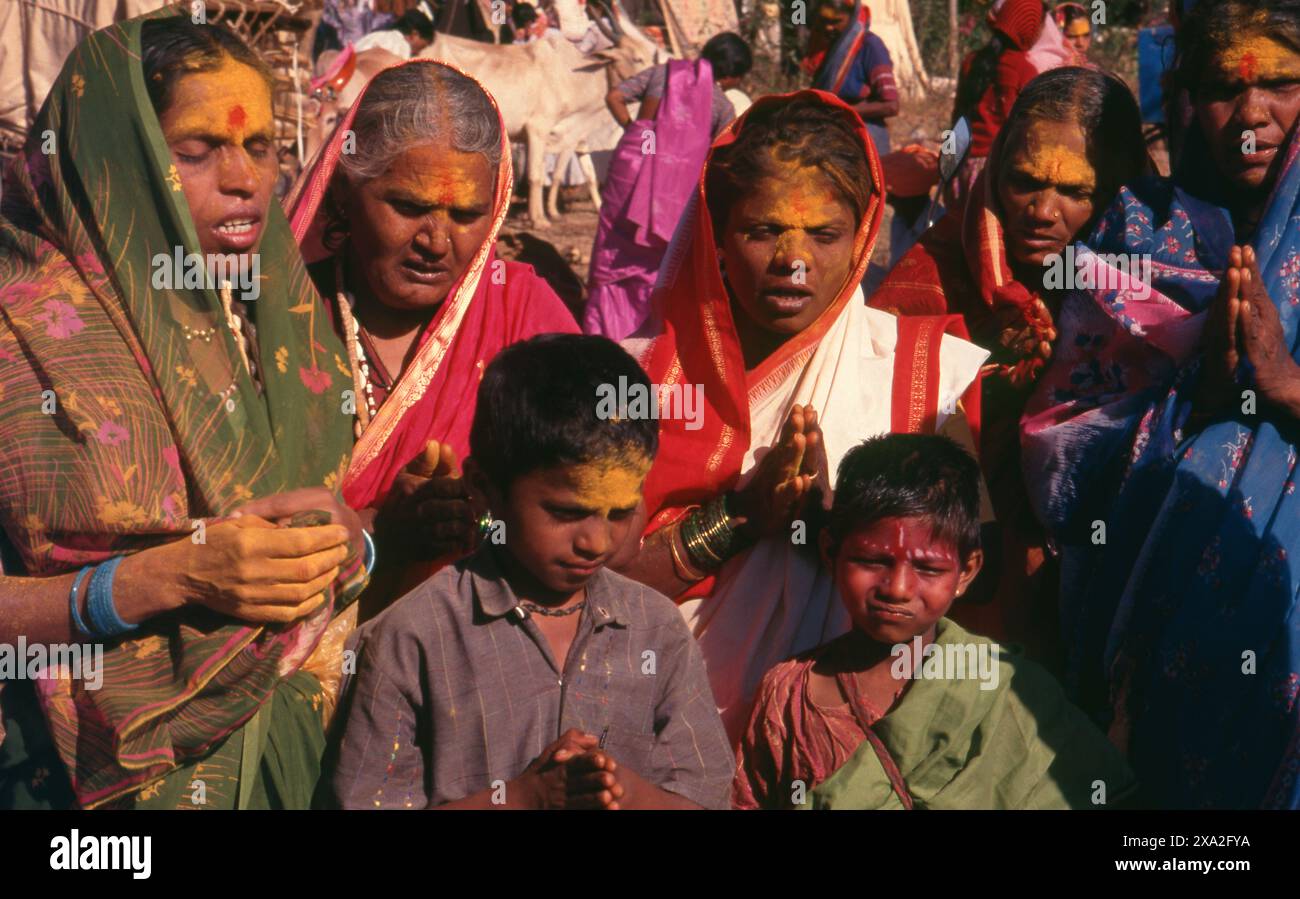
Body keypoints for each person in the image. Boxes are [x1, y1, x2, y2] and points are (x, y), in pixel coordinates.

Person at [0, 14, 370, 809]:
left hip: (293, 763)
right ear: (114, 157)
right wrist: (160, 577)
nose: (243, 180)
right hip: (71, 787)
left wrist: (357, 544)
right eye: (195, 152)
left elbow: (334, 535)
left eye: (262, 147)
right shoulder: (17, 328)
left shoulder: (284, 321)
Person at [610, 91, 989, 743]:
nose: (793, 260)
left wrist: (835, 521)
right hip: (648, 743)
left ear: (864, 237)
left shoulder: (934, 380)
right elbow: (576, 588)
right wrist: (737, 518)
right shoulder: (631, 380)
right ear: (718, 235)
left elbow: (977, 599)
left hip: (851, 751)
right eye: (763, 230)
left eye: (823, 233)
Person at [1022, 0, 1300, 809]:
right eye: (1222, 87)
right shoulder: (1138, 233)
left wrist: (1281, 379)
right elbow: (1060, 447)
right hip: (1154, 626)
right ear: (1182, 99)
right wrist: (1188, 394)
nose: (1251, 112)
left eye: (1282, 82)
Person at [327, 334, 735, 809]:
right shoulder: (411, 637)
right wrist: (523, 798)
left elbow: (707, 799)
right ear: (484, 486)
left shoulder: (657, 631)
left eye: (620, 512)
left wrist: (626, 790)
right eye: (566, 512)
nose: (596, 542)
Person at [869, 67, 1147, 655]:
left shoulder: (1152, 288)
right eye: (1024, 182)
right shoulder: (938, 269)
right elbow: (870, 399)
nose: (1042, 212)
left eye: (1075, 192)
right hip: (966, 581)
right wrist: (987, 386)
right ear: (995, 174)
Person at [286, 60, 580, 616]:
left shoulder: (523, 313)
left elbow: (596, 503)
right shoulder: (279, 315)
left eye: (467, 214)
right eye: (410, 207)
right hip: (291, 664)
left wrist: (482, 518)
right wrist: (381, 533)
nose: (436, 242)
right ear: (346, 191)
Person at [733, 434, 1136, 809]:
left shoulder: (1011, 692)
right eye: (872, 561)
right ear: (830, 553)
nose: (898, 588)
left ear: (967, 571)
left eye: (928, 569)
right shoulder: (790, 695)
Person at [584, 33, 752, 340]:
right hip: (673, 186)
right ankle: (643, 330)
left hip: (632, 163)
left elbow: (614, 96)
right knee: (656, 258)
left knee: (613, 247)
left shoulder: (663, 72)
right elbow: (719, 155)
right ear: (729, 75)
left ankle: (600, 329)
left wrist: (634, 129)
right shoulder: (721, 103)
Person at [950, 0, 1045, 210]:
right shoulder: (1025, 70)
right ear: (1028, 28)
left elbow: (957, 117)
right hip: (997, 170)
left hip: (964, 166)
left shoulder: (972, 61)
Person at [809, 0, 899, 162]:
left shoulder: (871, 47)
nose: (829, 28)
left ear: (851, 18)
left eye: (836, 22)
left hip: (863, 137)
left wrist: (844, 111)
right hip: (832, 135)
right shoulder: (828, 48)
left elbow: (891, 105)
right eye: (825, 22)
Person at [353, 4, 436, 58]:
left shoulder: (374, 36)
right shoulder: (402, 48)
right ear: (414, 34)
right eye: (422, 47)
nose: (418, 53)